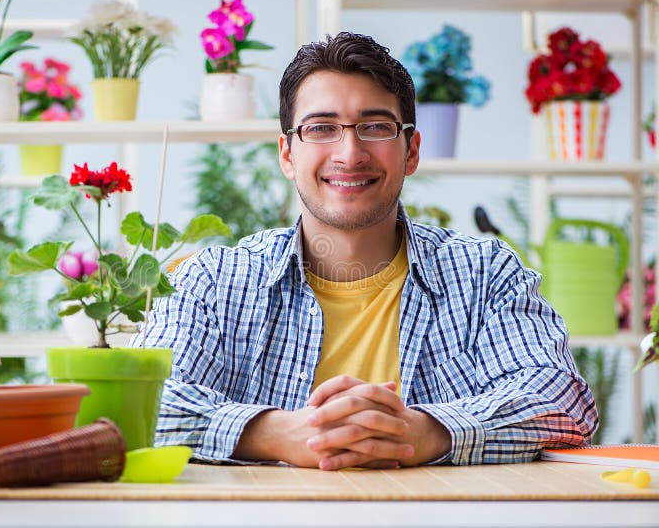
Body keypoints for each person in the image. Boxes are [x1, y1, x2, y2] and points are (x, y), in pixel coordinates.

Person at [132, 32, 598, 470]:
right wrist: (277, 433)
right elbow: (141, 403)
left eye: (375, 126)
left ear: (411, 151)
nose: (349, 153)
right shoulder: (216, 280)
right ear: (287, 154)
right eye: (321, 128)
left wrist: (428, 431)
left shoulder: (486, 274)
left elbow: (560, 398)